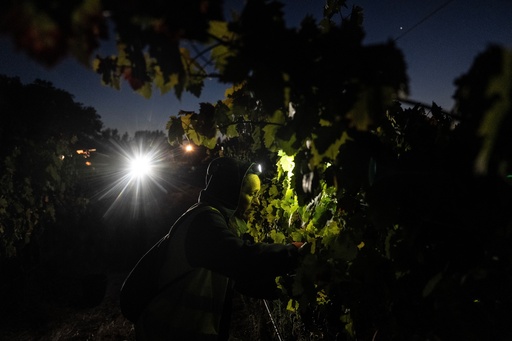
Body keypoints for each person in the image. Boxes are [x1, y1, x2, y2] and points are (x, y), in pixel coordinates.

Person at [135, 157, 303, 340]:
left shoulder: (212, 220)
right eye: (251, 194)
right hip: (168, 332)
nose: (256, 203)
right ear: (231, 192)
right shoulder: (205, 222)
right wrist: (293, 252)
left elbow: (238, 280)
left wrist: (282, 289)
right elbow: (241, 259)